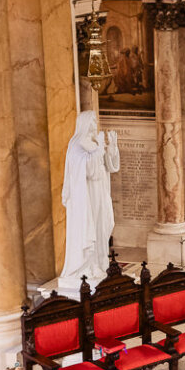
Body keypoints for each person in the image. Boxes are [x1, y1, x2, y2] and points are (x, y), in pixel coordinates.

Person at [55, 111, 120, 296]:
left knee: (101, 228)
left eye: (94, 122)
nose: (94, 125)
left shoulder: (94, 143)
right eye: (91, 122)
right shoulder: (77, 145)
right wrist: (99, 148)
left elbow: (111, 166)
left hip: (100, 193)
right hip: (86, 198)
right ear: (84, 123)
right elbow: (89, 170)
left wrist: (112, 147)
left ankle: (99, 264)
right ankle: (86, 267)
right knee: (90, 230)